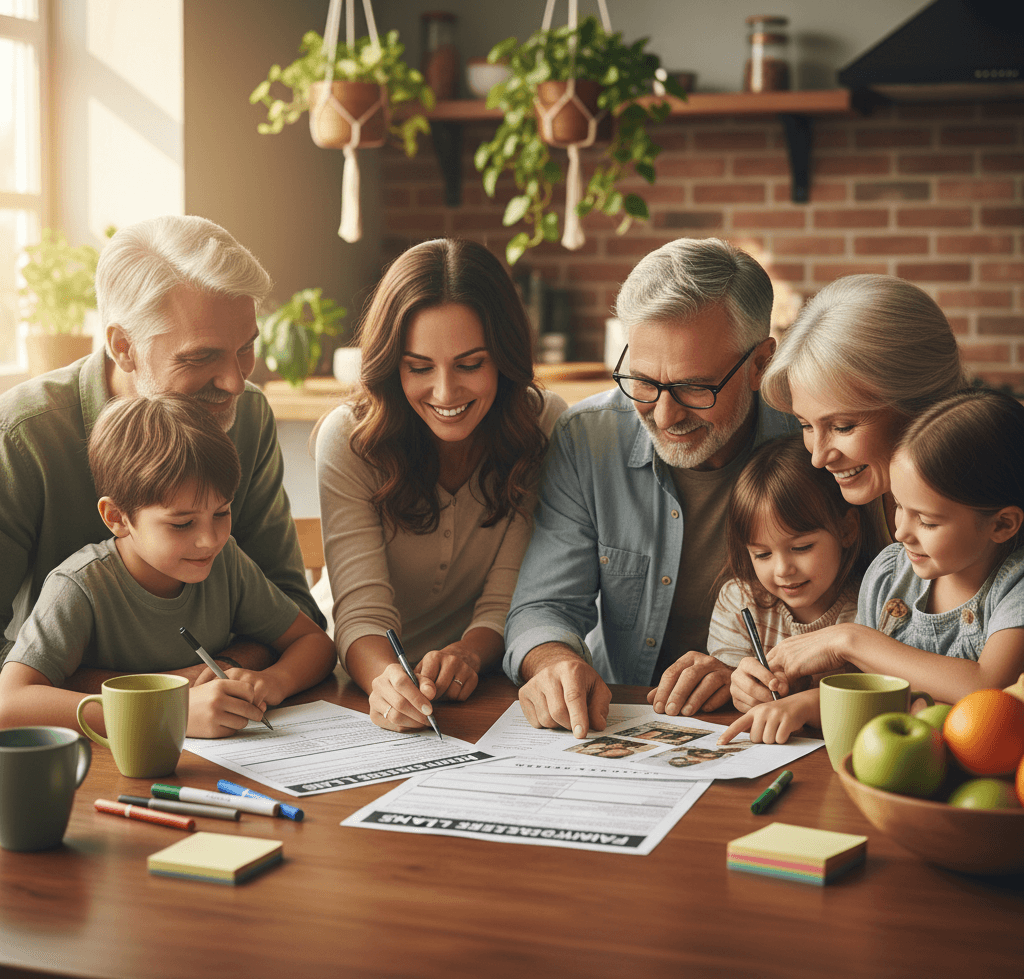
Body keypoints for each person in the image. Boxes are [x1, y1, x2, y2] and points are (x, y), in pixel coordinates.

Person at [0, 215, 324, 679]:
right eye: (201, 356)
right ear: (124, 347)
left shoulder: (248, 414)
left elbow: (293, 607)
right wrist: (156, 694)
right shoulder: (20, 435)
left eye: (245, 348)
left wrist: (226, 673)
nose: (236, 382)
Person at [503, 237, 798, 740]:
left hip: (768, 732)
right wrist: (551, 661)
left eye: (694, 387)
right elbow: (542, 607)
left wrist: (748, 673)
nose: (664, 416)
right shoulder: (589, 439)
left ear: (760, 364)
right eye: (642, 382)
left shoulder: (812, 442)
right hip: (621, 725)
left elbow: (866, 618)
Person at [315, 238, 566, 732]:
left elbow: (507, 598)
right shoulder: (347, 438)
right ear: (392, 365)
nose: (446, 393)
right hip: (357, 681)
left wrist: (468, 656)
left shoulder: (542, 426)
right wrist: (388, 679)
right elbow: (362, 613)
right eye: (419, 367)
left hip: (480, 679)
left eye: (471, 364)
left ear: (505, 358)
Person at [0, 394, 336, 738]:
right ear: (117, 518)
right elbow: (10, 704)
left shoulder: (227, 563)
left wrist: (272, 682)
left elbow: (315, 643)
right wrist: (167, 714)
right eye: (182, 523)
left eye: (221, 512)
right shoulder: (80, 586)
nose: (210, 539)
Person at [720, 389, 1024, 745]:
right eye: (898, 505)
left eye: (926, 521)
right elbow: (870, 696)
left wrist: (850, 639)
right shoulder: (889, 574)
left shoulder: (1014, 587)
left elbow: (988, 688)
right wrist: (798, 703)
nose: (901, 532)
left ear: (1002, 524)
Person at [759, 274, 966, 540]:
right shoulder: (821, 504)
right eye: (806, 425)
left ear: (921, 405)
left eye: (842, 427)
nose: (818, 458)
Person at [707, 435, 879, 744]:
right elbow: (730, 687)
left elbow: (877, 700)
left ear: (847, 530)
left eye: (801, 547)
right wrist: (742, 689)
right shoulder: (739, 602)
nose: (782, 569)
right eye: (762, 554)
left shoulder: (872, 606)